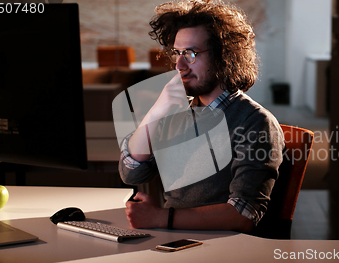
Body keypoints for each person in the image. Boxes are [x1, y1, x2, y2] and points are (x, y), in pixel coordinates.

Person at [119, 0, 284, 233]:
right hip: (171, 242)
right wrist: (156, 112)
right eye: (177, 53)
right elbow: (132, 172)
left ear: (223, 56)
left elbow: (243, 214)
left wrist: (160, 218)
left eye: (191, 54)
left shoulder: (255, 122)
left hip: (222, 249)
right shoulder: (174, 111)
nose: (179, 65)